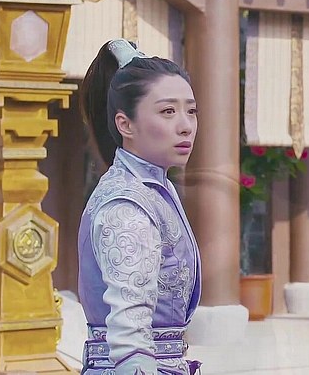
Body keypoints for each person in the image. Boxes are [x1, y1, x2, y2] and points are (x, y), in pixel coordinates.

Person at [77, 39, 202, 374]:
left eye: (191, 111)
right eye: (168, 111)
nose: (185, 125)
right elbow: (130, 339)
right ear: (125, 124)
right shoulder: (126, 203)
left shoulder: (155, 190)